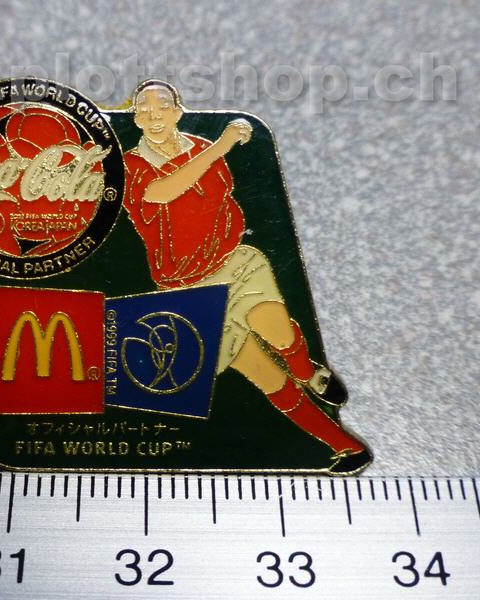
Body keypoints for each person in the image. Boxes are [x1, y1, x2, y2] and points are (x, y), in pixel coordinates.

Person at [122, 80, 371, 473]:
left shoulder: (200, 147)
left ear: (177, 112)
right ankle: (347, 448)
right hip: (189, 292)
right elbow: (162, 193)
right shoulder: (131, 165)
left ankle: (308, 371)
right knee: (265, 376)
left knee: (276, 329)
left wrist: (215, 153)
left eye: (162, 107)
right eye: (144, 110)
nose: (153, 116)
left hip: (233, 264)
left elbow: (221, 197)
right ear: (135, 118)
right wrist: (221, 145)